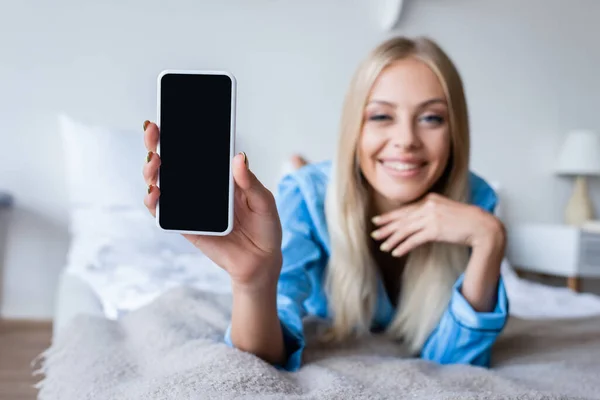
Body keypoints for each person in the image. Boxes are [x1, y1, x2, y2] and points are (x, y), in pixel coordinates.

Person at [141, 36, 508, 372]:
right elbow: (266, 352)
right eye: (381, 116)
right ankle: (298, 165)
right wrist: (252, 281)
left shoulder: (475, 202)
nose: (406, 140)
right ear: (355, 127)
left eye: (431, 118)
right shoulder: (306, 198)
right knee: (305, 181)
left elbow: (458, 363)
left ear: (455, 130)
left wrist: (490, 240)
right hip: (322, 191)